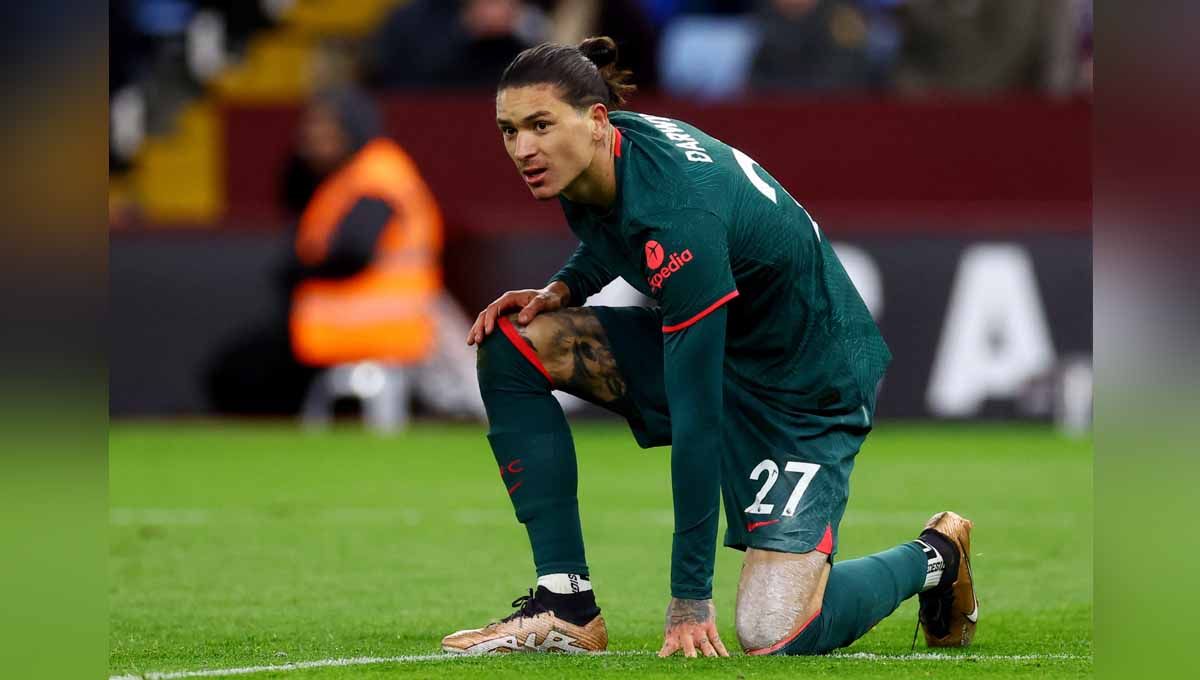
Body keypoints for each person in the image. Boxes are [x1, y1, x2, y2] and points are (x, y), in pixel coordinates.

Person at [440, 37, 978, 657]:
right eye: (509, 130)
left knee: (774, 630)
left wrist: (689, 598)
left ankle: (934, 557)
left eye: (539, 125)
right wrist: (566, 286)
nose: (523, 149)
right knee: (514, 343)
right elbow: (618, 230)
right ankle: (565, 603)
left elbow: (699, 420)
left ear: (594, 121)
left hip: (804, 389)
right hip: (734, 353)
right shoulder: (597, 158)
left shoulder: (679, 209)